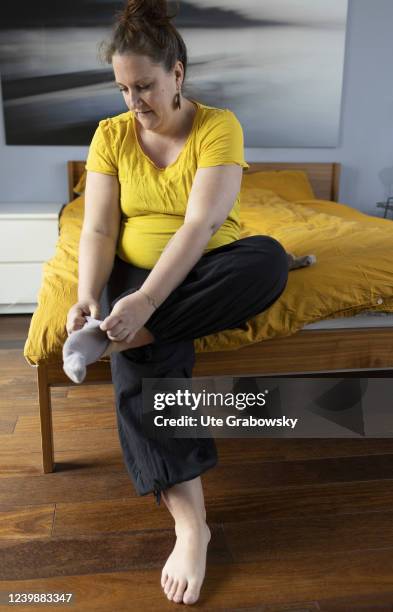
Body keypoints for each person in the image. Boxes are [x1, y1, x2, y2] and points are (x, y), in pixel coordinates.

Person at [63, 0, 290, 605]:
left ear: (179, 74)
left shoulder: (220, 126)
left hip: (208, 262)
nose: (133, 101)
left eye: (145, 86)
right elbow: (99, 232)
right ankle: (192, 527)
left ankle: (125, 336)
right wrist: (92, 296)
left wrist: (144, 305)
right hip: (135, 267)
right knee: (141, 358)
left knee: (267, 260)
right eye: (122, 88)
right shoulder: (110, 136)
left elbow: (198, 225)